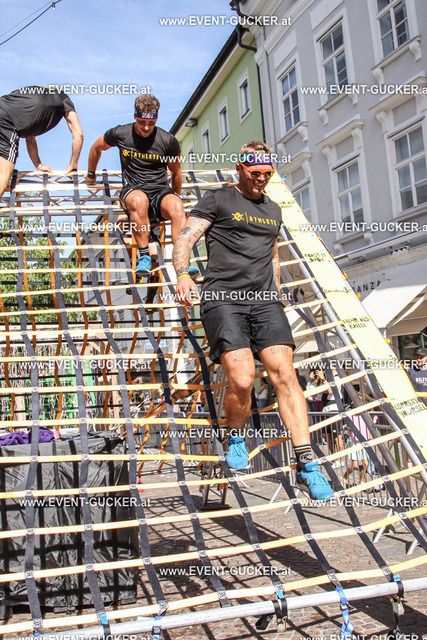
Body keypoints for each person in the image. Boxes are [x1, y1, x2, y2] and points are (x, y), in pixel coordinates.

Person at [172, 140, 334, 501]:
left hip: (264, 303)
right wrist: (183, 274)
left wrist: (276, 294)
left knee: (286, 375)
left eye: (267, 173)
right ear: (240, 169)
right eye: (255, 172)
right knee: (243, 378)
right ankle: (234, 436)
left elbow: (272, 255)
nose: (261, 178)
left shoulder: (273, 210)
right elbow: (185, 238)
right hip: (223, 299)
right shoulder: (218, 199)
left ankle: (306, 464)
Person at [86, 94, 198, 278]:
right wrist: (91, 174)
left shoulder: (167, 140)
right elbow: (96, 147)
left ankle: (181, 261)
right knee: (139, 200)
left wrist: (174, 197)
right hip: (133, 189)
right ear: (135, 116)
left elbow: (176, 173)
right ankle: (144, 256)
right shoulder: (121, 133)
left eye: (151, 123)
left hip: (159, 191)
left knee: (177, 205)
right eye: (142, 123)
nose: (146, 128)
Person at [0, 85, 83, 199]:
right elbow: (78, 134)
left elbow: (30, 139)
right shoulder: (63, 98)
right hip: (7, 122)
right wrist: (73, 163)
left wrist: (38, 164)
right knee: (4, 176)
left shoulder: (30, 98)